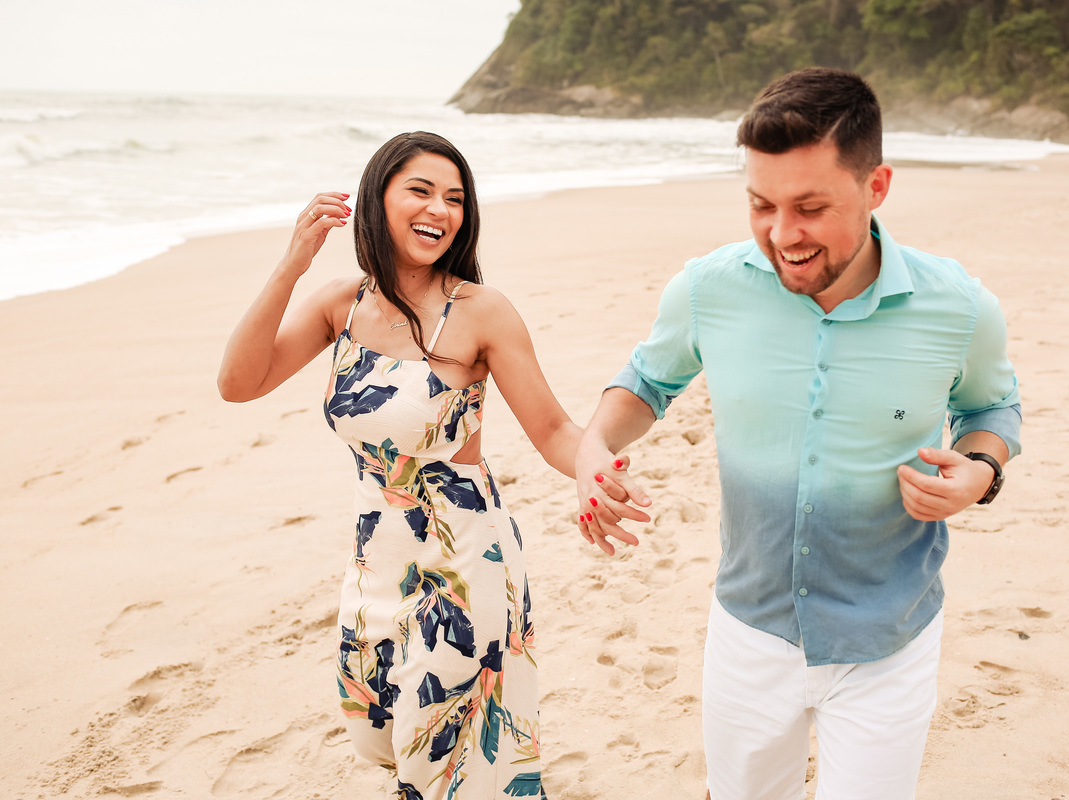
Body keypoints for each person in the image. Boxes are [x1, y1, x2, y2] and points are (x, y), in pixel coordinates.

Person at [573, 68, 1021, 799]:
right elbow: (646, 384)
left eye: (811, 208)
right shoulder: (706, 288)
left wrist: (979, 473)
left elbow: (993, 410)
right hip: (747, 633)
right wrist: (593, 448)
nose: (783, 234)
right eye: (761, 205)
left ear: (876, 187)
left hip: (890, 640)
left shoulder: (961, 307)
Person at [218, 131, 576, 800]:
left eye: (455, 199)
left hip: (465, 562)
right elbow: (239, 382)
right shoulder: (341, 304)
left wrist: (599, 470)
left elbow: (553, 428)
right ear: (377, 198)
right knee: (377, 729)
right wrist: (290, 264)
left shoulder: (482, 312)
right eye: (420, 191)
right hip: (376, 553)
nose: (439, 210)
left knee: (441, 750)